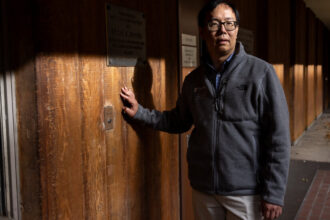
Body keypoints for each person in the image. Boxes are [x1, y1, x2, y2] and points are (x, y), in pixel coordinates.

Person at [120, 0, 290, 219]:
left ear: (237, 29)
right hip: (204, 190)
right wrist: (140, 112)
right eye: (214, 24)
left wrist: (274, 193)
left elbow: (279, 137)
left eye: (229, 23)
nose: (223, 31)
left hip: (247, 193)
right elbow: (178, 120)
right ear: (202, 30)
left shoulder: (261, 73)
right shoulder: (193, 81)